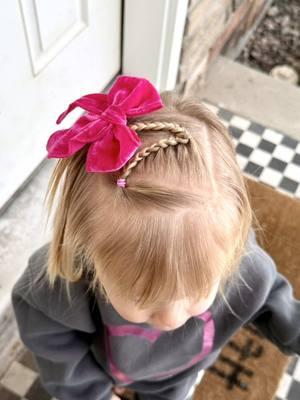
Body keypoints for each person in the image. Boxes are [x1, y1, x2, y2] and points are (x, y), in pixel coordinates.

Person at [11, 75, 300, 400]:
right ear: (88, 250)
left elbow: (272, 300)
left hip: (180, 377)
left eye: (196, 291)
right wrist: (91, 391)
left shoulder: (242, 265)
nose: (172, 319)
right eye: (145, 298)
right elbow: (53, 344)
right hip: (107, 373)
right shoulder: (61, 284)